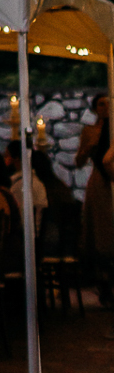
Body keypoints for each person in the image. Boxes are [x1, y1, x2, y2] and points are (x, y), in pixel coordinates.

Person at [76, 93, 114, 298]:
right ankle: (103, 279)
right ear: (95, 108)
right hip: (100, 182)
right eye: (101, 104)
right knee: (101, 230)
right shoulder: (90, 131)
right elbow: (78, 161)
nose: (105, 107)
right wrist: (88, 149)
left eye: (108, 103)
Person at [5, 139, 47, 217]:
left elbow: (18, 218)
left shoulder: (21, 186)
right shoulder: (35, 181)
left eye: (7, 156)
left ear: (16, 158)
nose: (5, 161)